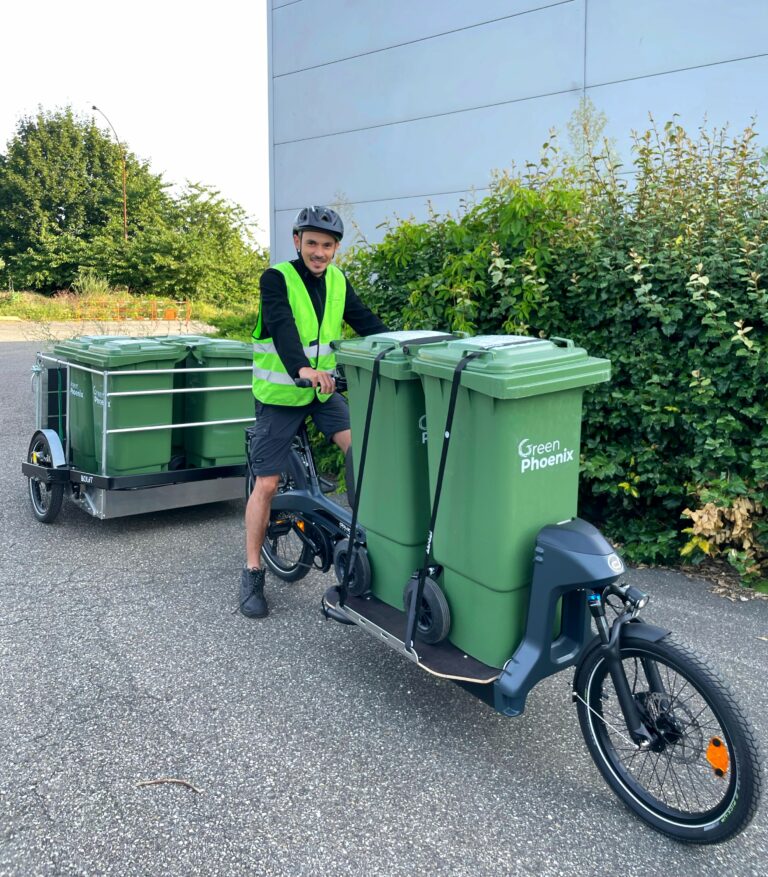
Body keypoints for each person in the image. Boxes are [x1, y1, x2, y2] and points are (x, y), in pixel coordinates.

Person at [241, 206, 387, 618]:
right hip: (281, 395)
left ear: (336, 248)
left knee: (358, 449)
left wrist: (400, 345)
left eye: (326, 245)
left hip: (320, 392)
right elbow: (283, 326)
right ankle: (252, 570)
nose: (319, 252)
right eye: (312, 244)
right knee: (267, 484)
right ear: (297, 242)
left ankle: (364, 535)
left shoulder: (339, 281)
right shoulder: (276, 279)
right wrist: (300, 368)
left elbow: (366, 322)